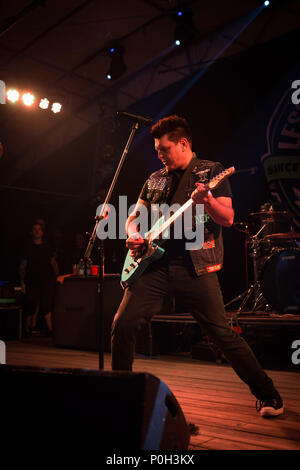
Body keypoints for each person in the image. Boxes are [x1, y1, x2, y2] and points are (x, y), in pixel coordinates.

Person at [111, 115, 284, 418]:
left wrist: (206, 201)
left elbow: (227, 218)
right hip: (154, 266)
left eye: (164, 149)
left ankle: (269, 395)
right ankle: (120, 395)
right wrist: (133, 233)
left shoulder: (211, 171)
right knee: (122, 325)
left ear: (183, 144)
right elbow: (134, 216)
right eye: (157, 150)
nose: (159, 154)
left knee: (222, 335)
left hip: (195, 267)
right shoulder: (155, 178)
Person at [20, 223, 58, 334]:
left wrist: (57, 276)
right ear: (32, 232)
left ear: (42, 232)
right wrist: (22, 281)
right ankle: (27, 330)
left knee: (47, 305)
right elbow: (23, 265)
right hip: (32, 280)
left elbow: (53, 262)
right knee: (31, 304)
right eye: (35, 229)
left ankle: (50, 330)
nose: (37, 231)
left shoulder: (47, 246)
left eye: (39, 229)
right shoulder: (27, 247)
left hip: (47, 280)